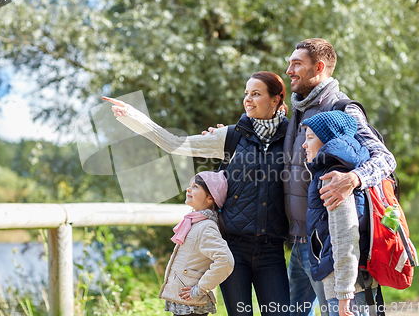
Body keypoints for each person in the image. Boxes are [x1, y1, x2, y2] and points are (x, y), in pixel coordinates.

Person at [103, 71, 291, 315]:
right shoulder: (231, 135)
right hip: (232, 246)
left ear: (275, 100)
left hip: (271, 249)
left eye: (256, 94)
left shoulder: (292, 137)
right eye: (246, 93)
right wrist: (133, 116)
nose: (248, 99)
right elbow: (173, 144)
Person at [283, 38, 396, 316]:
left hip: (331, 245)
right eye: (289, 63)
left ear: (319, 67)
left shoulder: (344, 109)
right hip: (299, 244)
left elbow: (385, 159)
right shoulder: (297, 110)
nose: (289, 71)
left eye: (296, 64)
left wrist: (353, 178)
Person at [301, 111, 378, 316]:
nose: (304, 145)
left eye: (310, 138)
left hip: (346, 289)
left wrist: (344, 294)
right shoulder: (344, 170)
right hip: (353, 284)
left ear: (327, 140)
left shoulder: (334, 178)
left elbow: (345, 236)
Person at [159, 170, 234, 316]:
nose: (188, 189)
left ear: (210, 198)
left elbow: (226, 260)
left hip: (192, 303)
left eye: (195, 187)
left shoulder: (207, 226)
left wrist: (199, 289)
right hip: (184, 301)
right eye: (190, 185)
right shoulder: (194, 221)